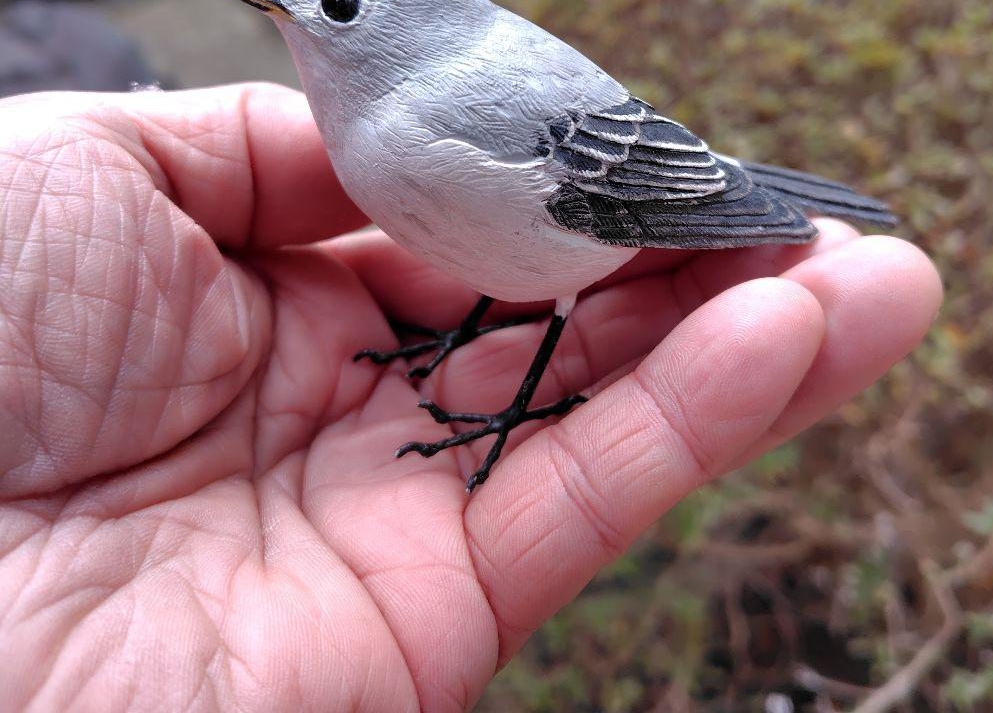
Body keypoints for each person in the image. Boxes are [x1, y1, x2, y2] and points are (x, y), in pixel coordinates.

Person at [0, 83, 942, 710]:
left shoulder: (444, 113)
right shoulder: (372, 125)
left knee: (565, 304)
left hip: (620, 199)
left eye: (335, 4)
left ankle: (512, 406)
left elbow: (606, 184)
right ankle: (467, 338)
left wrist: (736, 201)